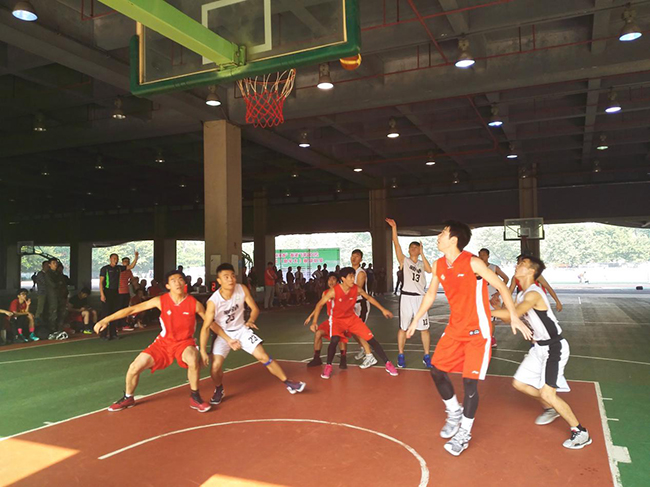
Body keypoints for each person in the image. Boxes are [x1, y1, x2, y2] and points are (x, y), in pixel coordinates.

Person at [407, 220, 532, 457]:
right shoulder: (439, 264)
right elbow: (430, 294)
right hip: (455, 329)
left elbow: (501, 286)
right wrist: (416, 319)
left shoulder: (473, 263)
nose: (438, 236)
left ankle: (464, 432)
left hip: (478, 332)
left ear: (454, 239)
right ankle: (454, 411)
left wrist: (514, 316)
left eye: (443, 232)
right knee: (436, 370)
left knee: (469, 383)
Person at [491, 256, 591, 450]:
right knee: (519, 383)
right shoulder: (522, 294)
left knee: (548, 393)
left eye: (522, 264)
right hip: (539, 348)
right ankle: (551, 407)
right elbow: (509, 319)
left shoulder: (534, 293)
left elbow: (514, 313)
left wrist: (483, 311)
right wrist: (496, 309)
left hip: (554, 347)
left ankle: (580, 432)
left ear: (531, 271)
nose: (517, 265)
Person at [94, 270, 211, 413]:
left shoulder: (194, 304)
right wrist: (106, 320)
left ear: (184, 282)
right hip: (163, 343)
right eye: (173, 280)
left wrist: (228, 338)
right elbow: (132, 309)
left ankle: (195, 397)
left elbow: (210, 323)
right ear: (167, 286)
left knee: (192, 359)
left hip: (184, 343)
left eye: (180, 279)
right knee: (134, 367)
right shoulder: (160, 301)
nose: (177, 283)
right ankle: (128, 397)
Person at [200, 263, 305, 405]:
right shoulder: (213, 301)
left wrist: (250, 320)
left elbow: (255, 309)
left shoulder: (241, 289)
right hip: (223, 334)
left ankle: (288, 383)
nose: (231, 279)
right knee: (215, 366)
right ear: (219, 281)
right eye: (226, 277)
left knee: (264, 357)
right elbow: (208, 326)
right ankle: (219, 389)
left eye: (232, 276)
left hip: (242, 329)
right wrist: (206, 350)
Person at [308, 267, 398, 379]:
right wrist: (314, 322)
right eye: (350, 277)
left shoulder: (356, 289)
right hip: (337, 320)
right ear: (343, 279)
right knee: (334, 340)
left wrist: (383, 309)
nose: (352, 279)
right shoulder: (334, 291)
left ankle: (388, 364)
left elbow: (369, 298)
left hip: (352, 319)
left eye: (353, 276)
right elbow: (319, 304)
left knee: (371, 340)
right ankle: (328, 366)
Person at [386, 218, 433, 368]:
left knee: (424, 329)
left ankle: (426, 356)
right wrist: (394, 227)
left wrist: (423, 253)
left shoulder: (422, 264)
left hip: (420, 298)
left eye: (416, 247)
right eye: (411, 247)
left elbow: (430, 270)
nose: (413, 249)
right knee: (403, 327)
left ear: (419, 250)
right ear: (408, 250)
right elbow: (396, 244)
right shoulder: (404, 261)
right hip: (406, 297)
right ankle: (401, 354)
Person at [304, 274, 348, 368]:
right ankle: (317, 358)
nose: (331, 281)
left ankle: (343, 359)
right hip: (330, 321)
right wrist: (310, 317)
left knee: (340, 336)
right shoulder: (325, 293)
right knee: (318, 333)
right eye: (329, 279)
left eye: (333, 279)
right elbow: (319, 306)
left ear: (338, 281)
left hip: (340, 321)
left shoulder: (342, 292)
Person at [478, 248, 510, 348]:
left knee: (491, 319)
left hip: (491, 296)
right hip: (479, 296)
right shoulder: (476, 267)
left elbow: (506, 278)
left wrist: (498, 292)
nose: (481, 257)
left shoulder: (493, 267)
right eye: (480, 254)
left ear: (488, 256)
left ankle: (491, 337)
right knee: (479, 318)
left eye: (484, 255)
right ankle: (481, 337)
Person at [349, 249, 376, 367]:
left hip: (361, 304)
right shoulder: (348, 272)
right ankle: (363, 348)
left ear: (361, 259)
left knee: (358, 329)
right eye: (352, 256)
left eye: (357, 256)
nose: (354, 258)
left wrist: (343, 297)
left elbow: (357, 290)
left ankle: (370, 356)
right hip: (351, 304)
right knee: (351, 330)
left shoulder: (360, 273)